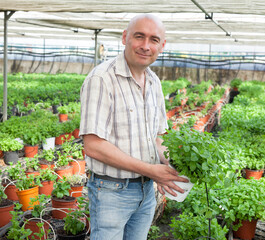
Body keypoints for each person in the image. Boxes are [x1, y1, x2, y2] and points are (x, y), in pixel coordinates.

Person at [79, 14, 188, 240]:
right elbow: (93, 146)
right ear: (125, 38)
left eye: (154, 40)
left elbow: (157, 136)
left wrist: (169, 164)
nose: (146, 46)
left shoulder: (154, 82)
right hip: (112, 192)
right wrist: (151, 170)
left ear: (162, 45)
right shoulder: (102, 78)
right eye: (139, 37)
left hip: (147, 190)